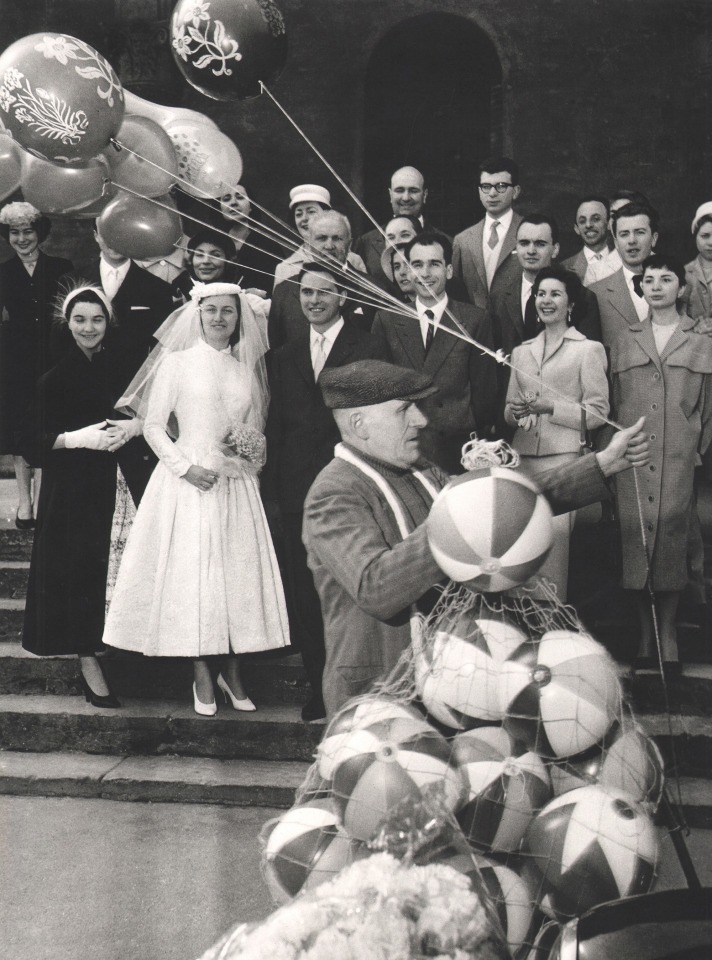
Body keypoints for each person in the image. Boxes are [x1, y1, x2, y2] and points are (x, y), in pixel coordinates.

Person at [303, 358, 650, 717]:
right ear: (360, 424)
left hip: (451, 684)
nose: (420, 420)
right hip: (379, 696)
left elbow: (503, 506)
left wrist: (603, 464)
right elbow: (377, 589)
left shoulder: (420, 470)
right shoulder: (333, 494)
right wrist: (456, 523)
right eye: (404, 410)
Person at [102, 282, 289, 714]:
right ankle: (202, 671)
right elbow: (152, 426)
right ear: (198, 314)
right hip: (186, 480)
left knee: (234, 578)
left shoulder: (245, 369)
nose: (220, 318)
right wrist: (186, 468)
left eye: (229, 311)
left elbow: (250, 431)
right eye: (211, 311)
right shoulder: (177, 363)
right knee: (196, 577)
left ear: (239, 318)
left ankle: (233, 669)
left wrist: (246, 453)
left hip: (234, 484)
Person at [263, 264, 385, 721]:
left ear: (342, 297)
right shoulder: (285, 354)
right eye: (307, 293)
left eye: (324, 293)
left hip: (350, 482)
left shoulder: (368, 345)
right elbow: (276, 425)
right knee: (307, 586)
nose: (314, 301)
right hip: (297, 487)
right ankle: (320, 686)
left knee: (353, 582)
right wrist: (272, 488)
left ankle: (363, 687)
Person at [21, 286, 141, 708]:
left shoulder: (123, 368)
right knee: (78, 572)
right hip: (72, 489)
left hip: (119, 483)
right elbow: (30, 442)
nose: (89, 328)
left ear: (108, 324)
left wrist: (133, 428)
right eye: (80, 320)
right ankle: (87, 658)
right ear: (67, 323)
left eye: (96, 319)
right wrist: (72, 439)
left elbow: (146, 414)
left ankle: (119, 645)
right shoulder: (52, 377)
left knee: (115, 569)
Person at [610, 254, 712, 675]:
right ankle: (644, 637)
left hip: (677, 458)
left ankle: (667, 637)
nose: (656, 287)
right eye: (648, 280)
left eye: (665, 279)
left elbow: (707, 409)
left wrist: (694, 449)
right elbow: (615, 404)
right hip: (635, 457)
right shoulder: (624, 340)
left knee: (671, 539)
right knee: (635, 542)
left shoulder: (702, 341)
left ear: (681, 287)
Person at [504, 266, 610, 599]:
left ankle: (550, 628)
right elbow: (508, 411)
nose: (546, 300)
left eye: (555, 294)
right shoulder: (521, 351)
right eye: (540, 293)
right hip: (522, 463)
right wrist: (516, 411)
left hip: (564, 463)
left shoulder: (588, 349)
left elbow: (598, 414)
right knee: (517, 548)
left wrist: (551, 407)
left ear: (571, 304)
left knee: (552, 551)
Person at [371, 230, 497, 473]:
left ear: (449, 271)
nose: (425, 273)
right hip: (407, 448)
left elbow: (485, 393)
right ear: (406, 271)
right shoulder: (387, 320)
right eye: (417, 264)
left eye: (434, 264)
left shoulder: (474, 320)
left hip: (458, 449)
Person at [0, 202, 73, 528]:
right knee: (20, 430)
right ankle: (25, 503)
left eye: (27, 231)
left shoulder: (61, 266)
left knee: (49, 426)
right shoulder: (2, 272)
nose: (21, 238)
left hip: (53, 358)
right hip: (15, 363)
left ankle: (45, 501)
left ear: (39, 233)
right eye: (14, 232)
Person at [487, 214, 602, 360]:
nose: (531, 251)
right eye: (524, 243)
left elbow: (590, 357)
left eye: (540, 244)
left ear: (555, 249)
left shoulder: (582, 297)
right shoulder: (499, 296)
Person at [269, 210, 380, 347]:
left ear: (349, 244)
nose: (329, 246)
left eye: (337, 238)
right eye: (321, 238)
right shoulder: (284, 291)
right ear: (308, 244)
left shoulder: (375, 290)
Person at [452, 157, 523, 311]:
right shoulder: (463, 240)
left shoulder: (528, 233)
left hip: (518, 330)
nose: (492, 193)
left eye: (501, 186)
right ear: (479, 191)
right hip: (475, 330)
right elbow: (455, 292)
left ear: (516, 191)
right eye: (486, 186)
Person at [355, 166, 441, 284]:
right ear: (390, 195)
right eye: (399, 190)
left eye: (413, 191)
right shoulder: (366, 242)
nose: (406, 198)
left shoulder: (446, 241)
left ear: (424, 195)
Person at [590, 202, 659, 347]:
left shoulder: (683, 285)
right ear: (615, 242)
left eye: (640, 232)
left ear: (654, 238)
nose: (632, 240)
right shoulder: (595, 294)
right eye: (624, 234)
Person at [273, 184, 367, 286]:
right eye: (299, 214)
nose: (304, 218)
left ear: (327, 214)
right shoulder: (285, 268)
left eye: (311, 211)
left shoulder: (353, 260)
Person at [561, 195, 622, 287]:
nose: (588, 225)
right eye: (582, 221)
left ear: (609, 223)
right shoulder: (564, 268)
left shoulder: (623, 261)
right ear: (576, 228)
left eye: (596, 219)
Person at [171, 228, 237, 303]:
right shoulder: (179, 288)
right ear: (191, 259)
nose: (206, 261)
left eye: (215, 255)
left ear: (228, 261)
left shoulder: (239, 292)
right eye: (199, 255)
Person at [684, 202, 712, 330]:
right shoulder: (684, 273)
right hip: (693, 344)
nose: (711, 242)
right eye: (705, 236)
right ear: (695, 236)